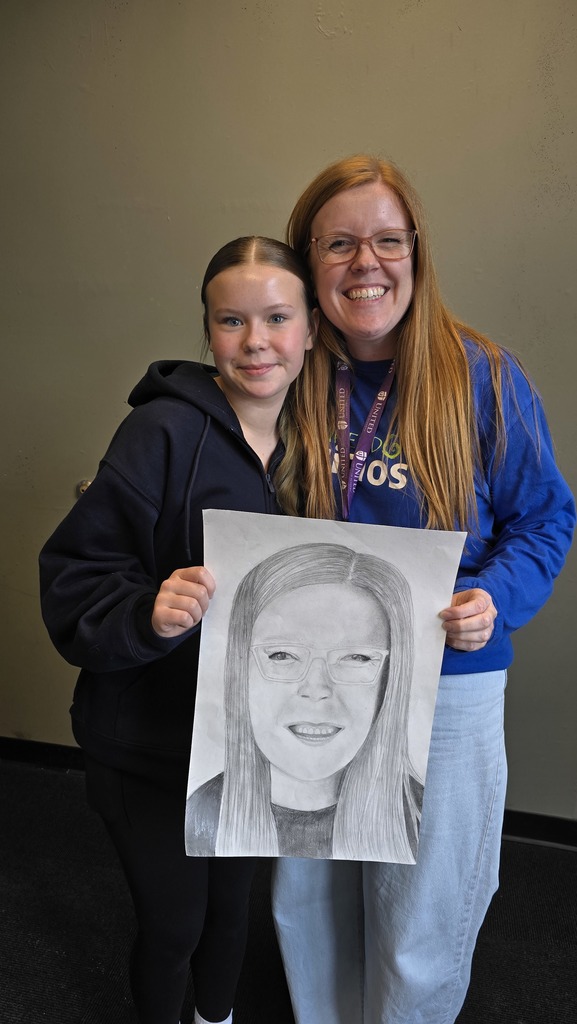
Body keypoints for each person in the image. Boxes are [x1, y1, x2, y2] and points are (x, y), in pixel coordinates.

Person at [270, 155, 576, 1024]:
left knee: (422, 914)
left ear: (416, 253)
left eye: (386, 240)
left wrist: (496, 600)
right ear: (307, 261)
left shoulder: (481, 374)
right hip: (311, 679)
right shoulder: (284, 374)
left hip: (445, 683)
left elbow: (546, 519)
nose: (365, 262)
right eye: (338, 243)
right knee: (310, 898)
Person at [39, 235, 322, 1024]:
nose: (255, 341)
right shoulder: (160, 432)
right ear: (207, 332)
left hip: (252, 744)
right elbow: (74, 576)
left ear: (308, 330)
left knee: (233, 914)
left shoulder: (324, 445)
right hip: (147, 741)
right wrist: (145, 611)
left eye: (275, 318)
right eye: (231, 321)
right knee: (175, 923)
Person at [185, 541, 420, 861]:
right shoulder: (202, 810)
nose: (316, 688)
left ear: (389, 679)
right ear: (240, 669)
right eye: (281, 655)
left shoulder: (420, 818)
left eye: (356, 657)